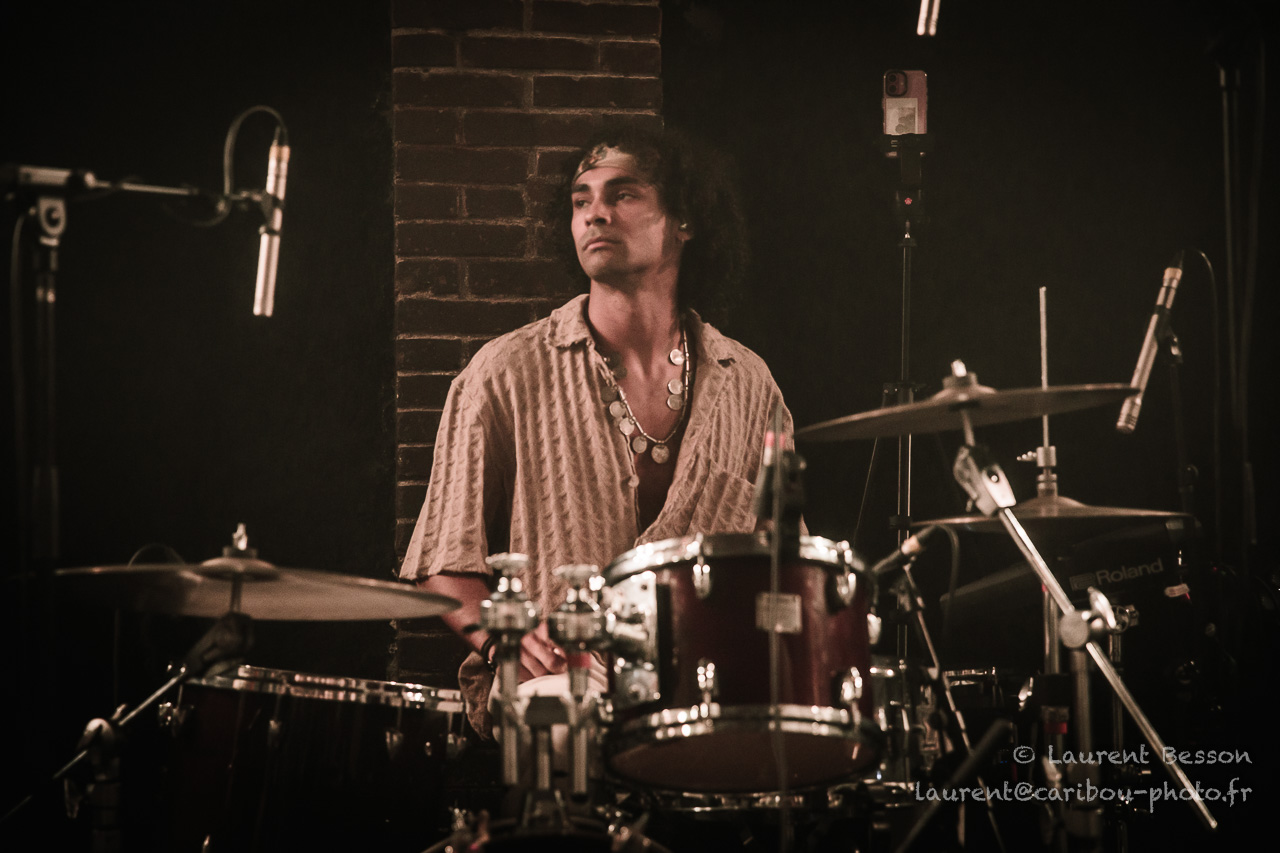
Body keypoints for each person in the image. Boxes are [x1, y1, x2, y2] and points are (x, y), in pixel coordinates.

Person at [399, 126, 794, 739]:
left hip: (704, 700)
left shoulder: (750, 385)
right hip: (560, 696)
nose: (595, 214)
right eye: (581, 200)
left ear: (685, 220)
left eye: (623, 194)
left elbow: (783, 567)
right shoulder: (503, 372)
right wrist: (508, 640)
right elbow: (442, 560)